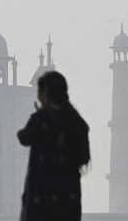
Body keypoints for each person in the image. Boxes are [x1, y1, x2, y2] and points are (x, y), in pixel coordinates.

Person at [17, 71, 90, 221]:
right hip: (67, 200)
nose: (38, 96)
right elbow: (84, 158)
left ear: (46, 92)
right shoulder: (77, 123)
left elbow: (24, 137)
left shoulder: (41, 119)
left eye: (39, 92)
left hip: (41, 201)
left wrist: (40, 116)